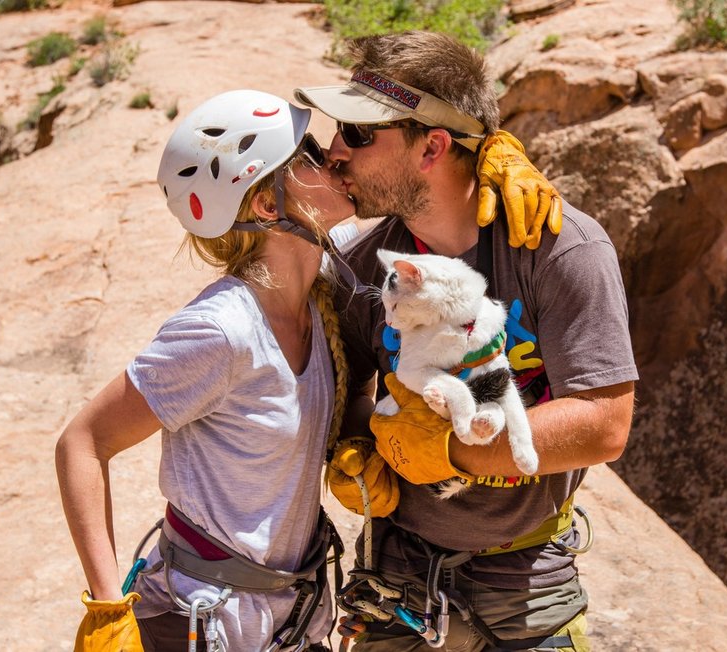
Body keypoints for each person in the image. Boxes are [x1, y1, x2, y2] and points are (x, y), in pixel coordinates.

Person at [295, 32, 639, 651]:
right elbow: (350, 391)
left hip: (527, 582)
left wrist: (457, 452)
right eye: (337, 129)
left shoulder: (560, 249)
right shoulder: (363, 266)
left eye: (359, 133)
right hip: (398, 578)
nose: (336, 152)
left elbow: (604, 424)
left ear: (433, 146)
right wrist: (352, 449)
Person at [55, 89, 363, 652]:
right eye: (312, 153)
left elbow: (415, 201)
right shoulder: (222, 330)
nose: (335, 159)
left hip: (287, 616)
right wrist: (106, 608)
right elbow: (83, 441)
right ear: (269, 207)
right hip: (203, 621)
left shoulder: (321, 281)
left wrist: (492, 157)